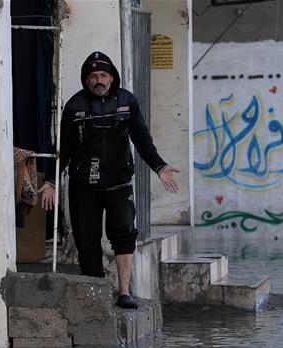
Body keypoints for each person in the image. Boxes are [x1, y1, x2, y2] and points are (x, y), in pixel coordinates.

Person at [40, 51, 179, 309]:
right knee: (86, 240)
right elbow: (64, 149)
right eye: (93, 76)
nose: (99, 80)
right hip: (84, 186)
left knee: (124, 235)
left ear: (112, 77)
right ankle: (96, 293)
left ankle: (124, 291)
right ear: (86, 80)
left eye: (103, 75)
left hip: (118, 182)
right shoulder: (74, 106)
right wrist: (50, 181)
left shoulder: (127, 101)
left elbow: (141, 139)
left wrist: (159, 167)